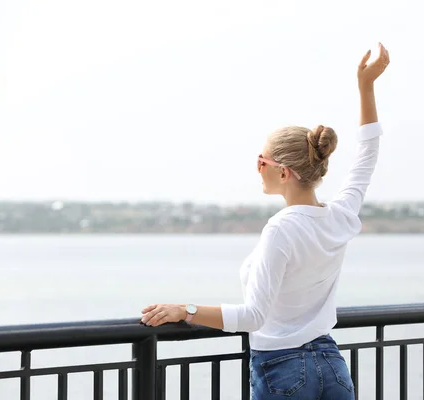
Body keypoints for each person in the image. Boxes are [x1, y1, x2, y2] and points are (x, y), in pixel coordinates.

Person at [140, 43, 390, 399]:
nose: (257, 165)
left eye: (263, 160)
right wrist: (366, 87)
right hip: (332, 367)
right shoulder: (340, 216)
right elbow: (368, 155)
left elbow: (253, 316)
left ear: (284, 172)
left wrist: (185, 309)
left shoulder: (282, 229)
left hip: (284, 373)